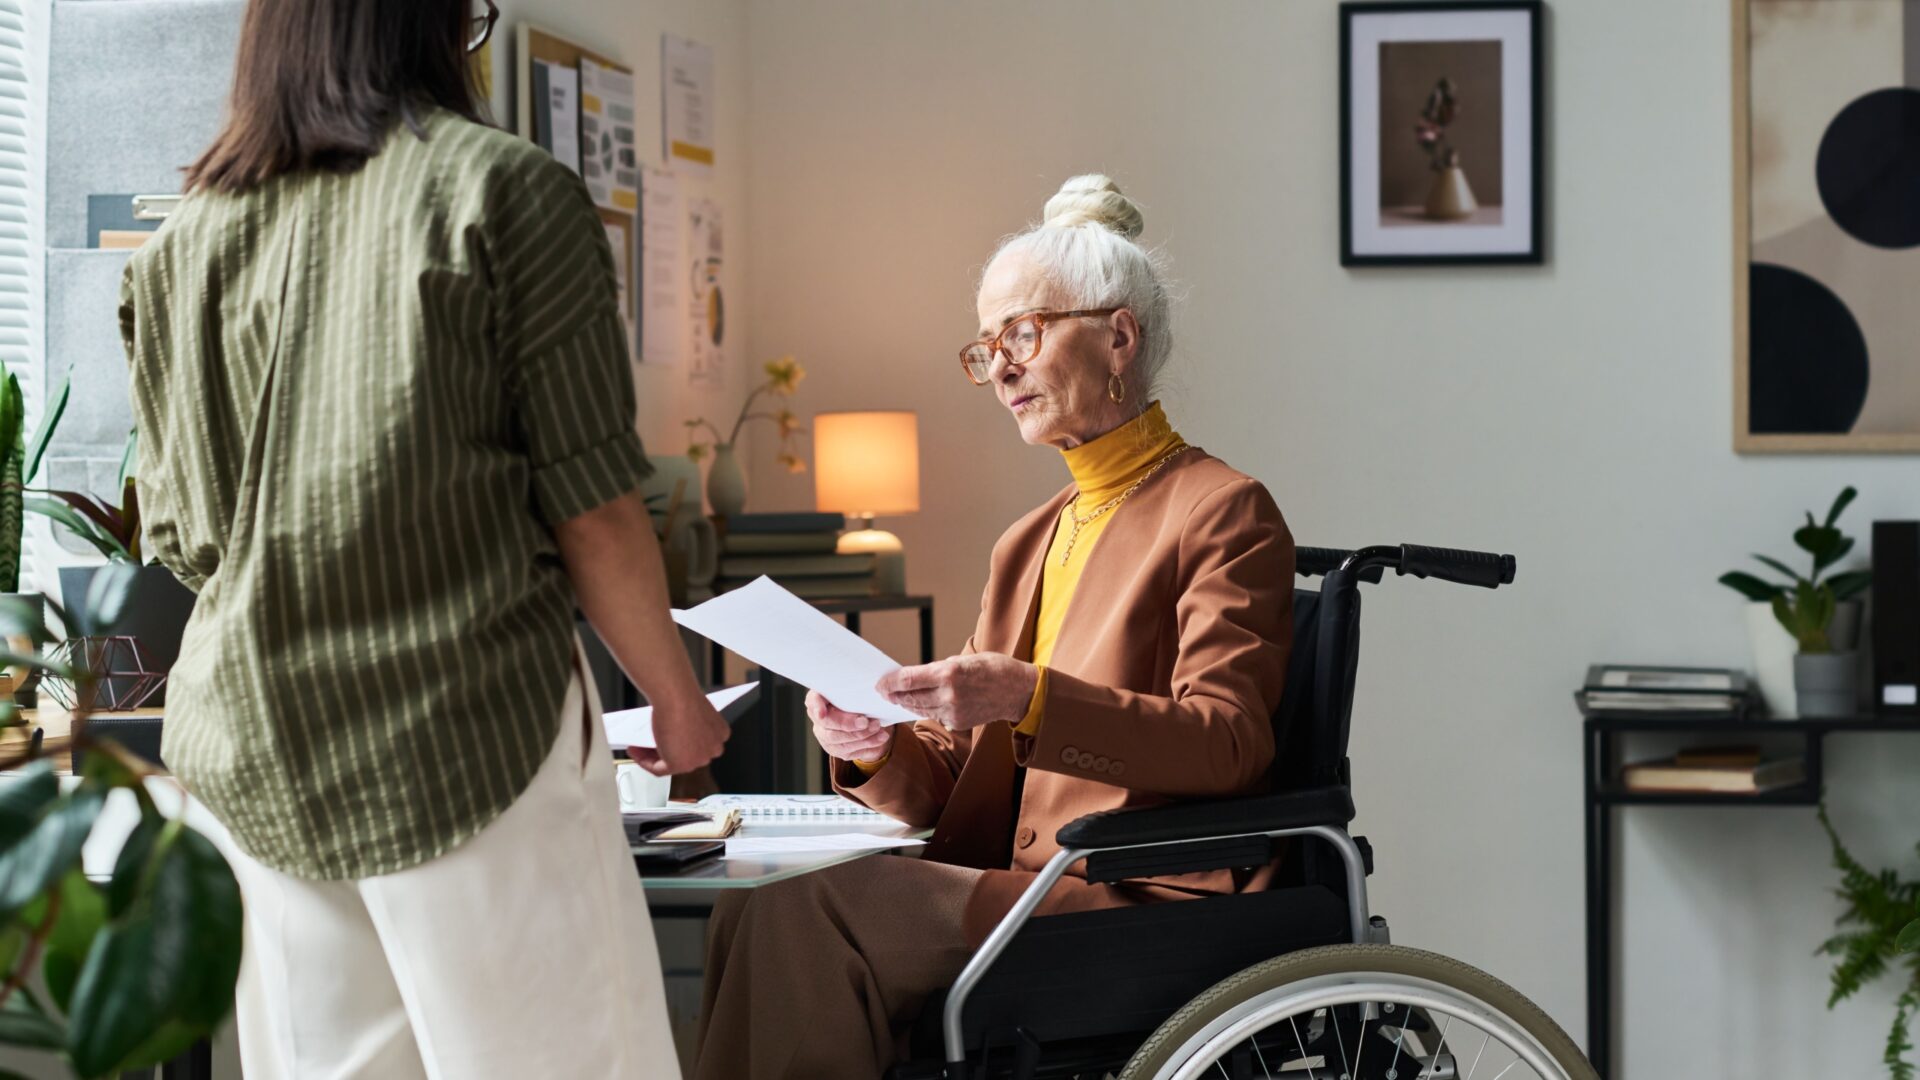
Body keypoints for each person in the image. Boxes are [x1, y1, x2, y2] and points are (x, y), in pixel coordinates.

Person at [118, 1, 727, 1075]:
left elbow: (181, 535)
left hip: (256, 751)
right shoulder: (502, 189)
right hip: (464, 731)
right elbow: (591, 504)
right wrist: (676, 705)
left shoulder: (183, 241)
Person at [694, 175, 1296, 1080]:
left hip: (1135, 894)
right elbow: (951, 781)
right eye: (987, 348)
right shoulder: (1030, 541)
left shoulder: (1222, 510)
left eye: (1022, 334)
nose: (1001, 368)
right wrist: (873, 750)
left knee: (800, 911)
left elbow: (1231, 744)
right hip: (1023, 885)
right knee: (750, 900)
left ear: (1118, 337)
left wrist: (1031, 700)